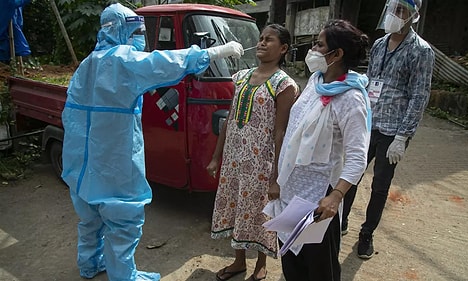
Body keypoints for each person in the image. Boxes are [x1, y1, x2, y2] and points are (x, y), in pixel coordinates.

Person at [61, 3, 243, 281]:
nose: (139, 38)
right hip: (113, 157)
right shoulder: (123, 61)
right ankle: (123, 276)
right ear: (122, 30)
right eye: (135, 31)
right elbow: (165, 63)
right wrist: (215, 52)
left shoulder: (88, 63)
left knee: (90, 217)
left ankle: (89, 264)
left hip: (82, 158)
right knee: (122, 220)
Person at [269, 19, 371, 281]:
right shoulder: (315, 83)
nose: (312, 49)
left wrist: (336, 196)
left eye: (319, 44)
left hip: (318, 200)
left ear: (336, 55)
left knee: (319, 269)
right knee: (292, 260)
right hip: (292, 193)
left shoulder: (351, 99)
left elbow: (358, 157)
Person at [341, 0, 435, 259]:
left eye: (402, 10)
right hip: (368, 122)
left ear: (413, 15)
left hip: (393, 130)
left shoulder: (421, 51)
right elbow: (370, 81)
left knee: (380, 186)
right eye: (393, 9)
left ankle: (366, 234)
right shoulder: (380, 44)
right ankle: (342, 221)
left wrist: (403, 136)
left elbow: (419, 96)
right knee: (352, 174)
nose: (395, 15)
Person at [207, 24, 298, 281]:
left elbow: (281, 132)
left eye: (269, 40)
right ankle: (238, 262)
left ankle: (260, 264)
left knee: (260, 213)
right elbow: (230, 119)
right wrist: (216, 157)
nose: (261, 43)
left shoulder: (284, 84)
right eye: (260, 39)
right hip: (235, 161)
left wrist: (276, 177)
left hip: (261, 164)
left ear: (283, 49)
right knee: (236, 208)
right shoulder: (242, 77)